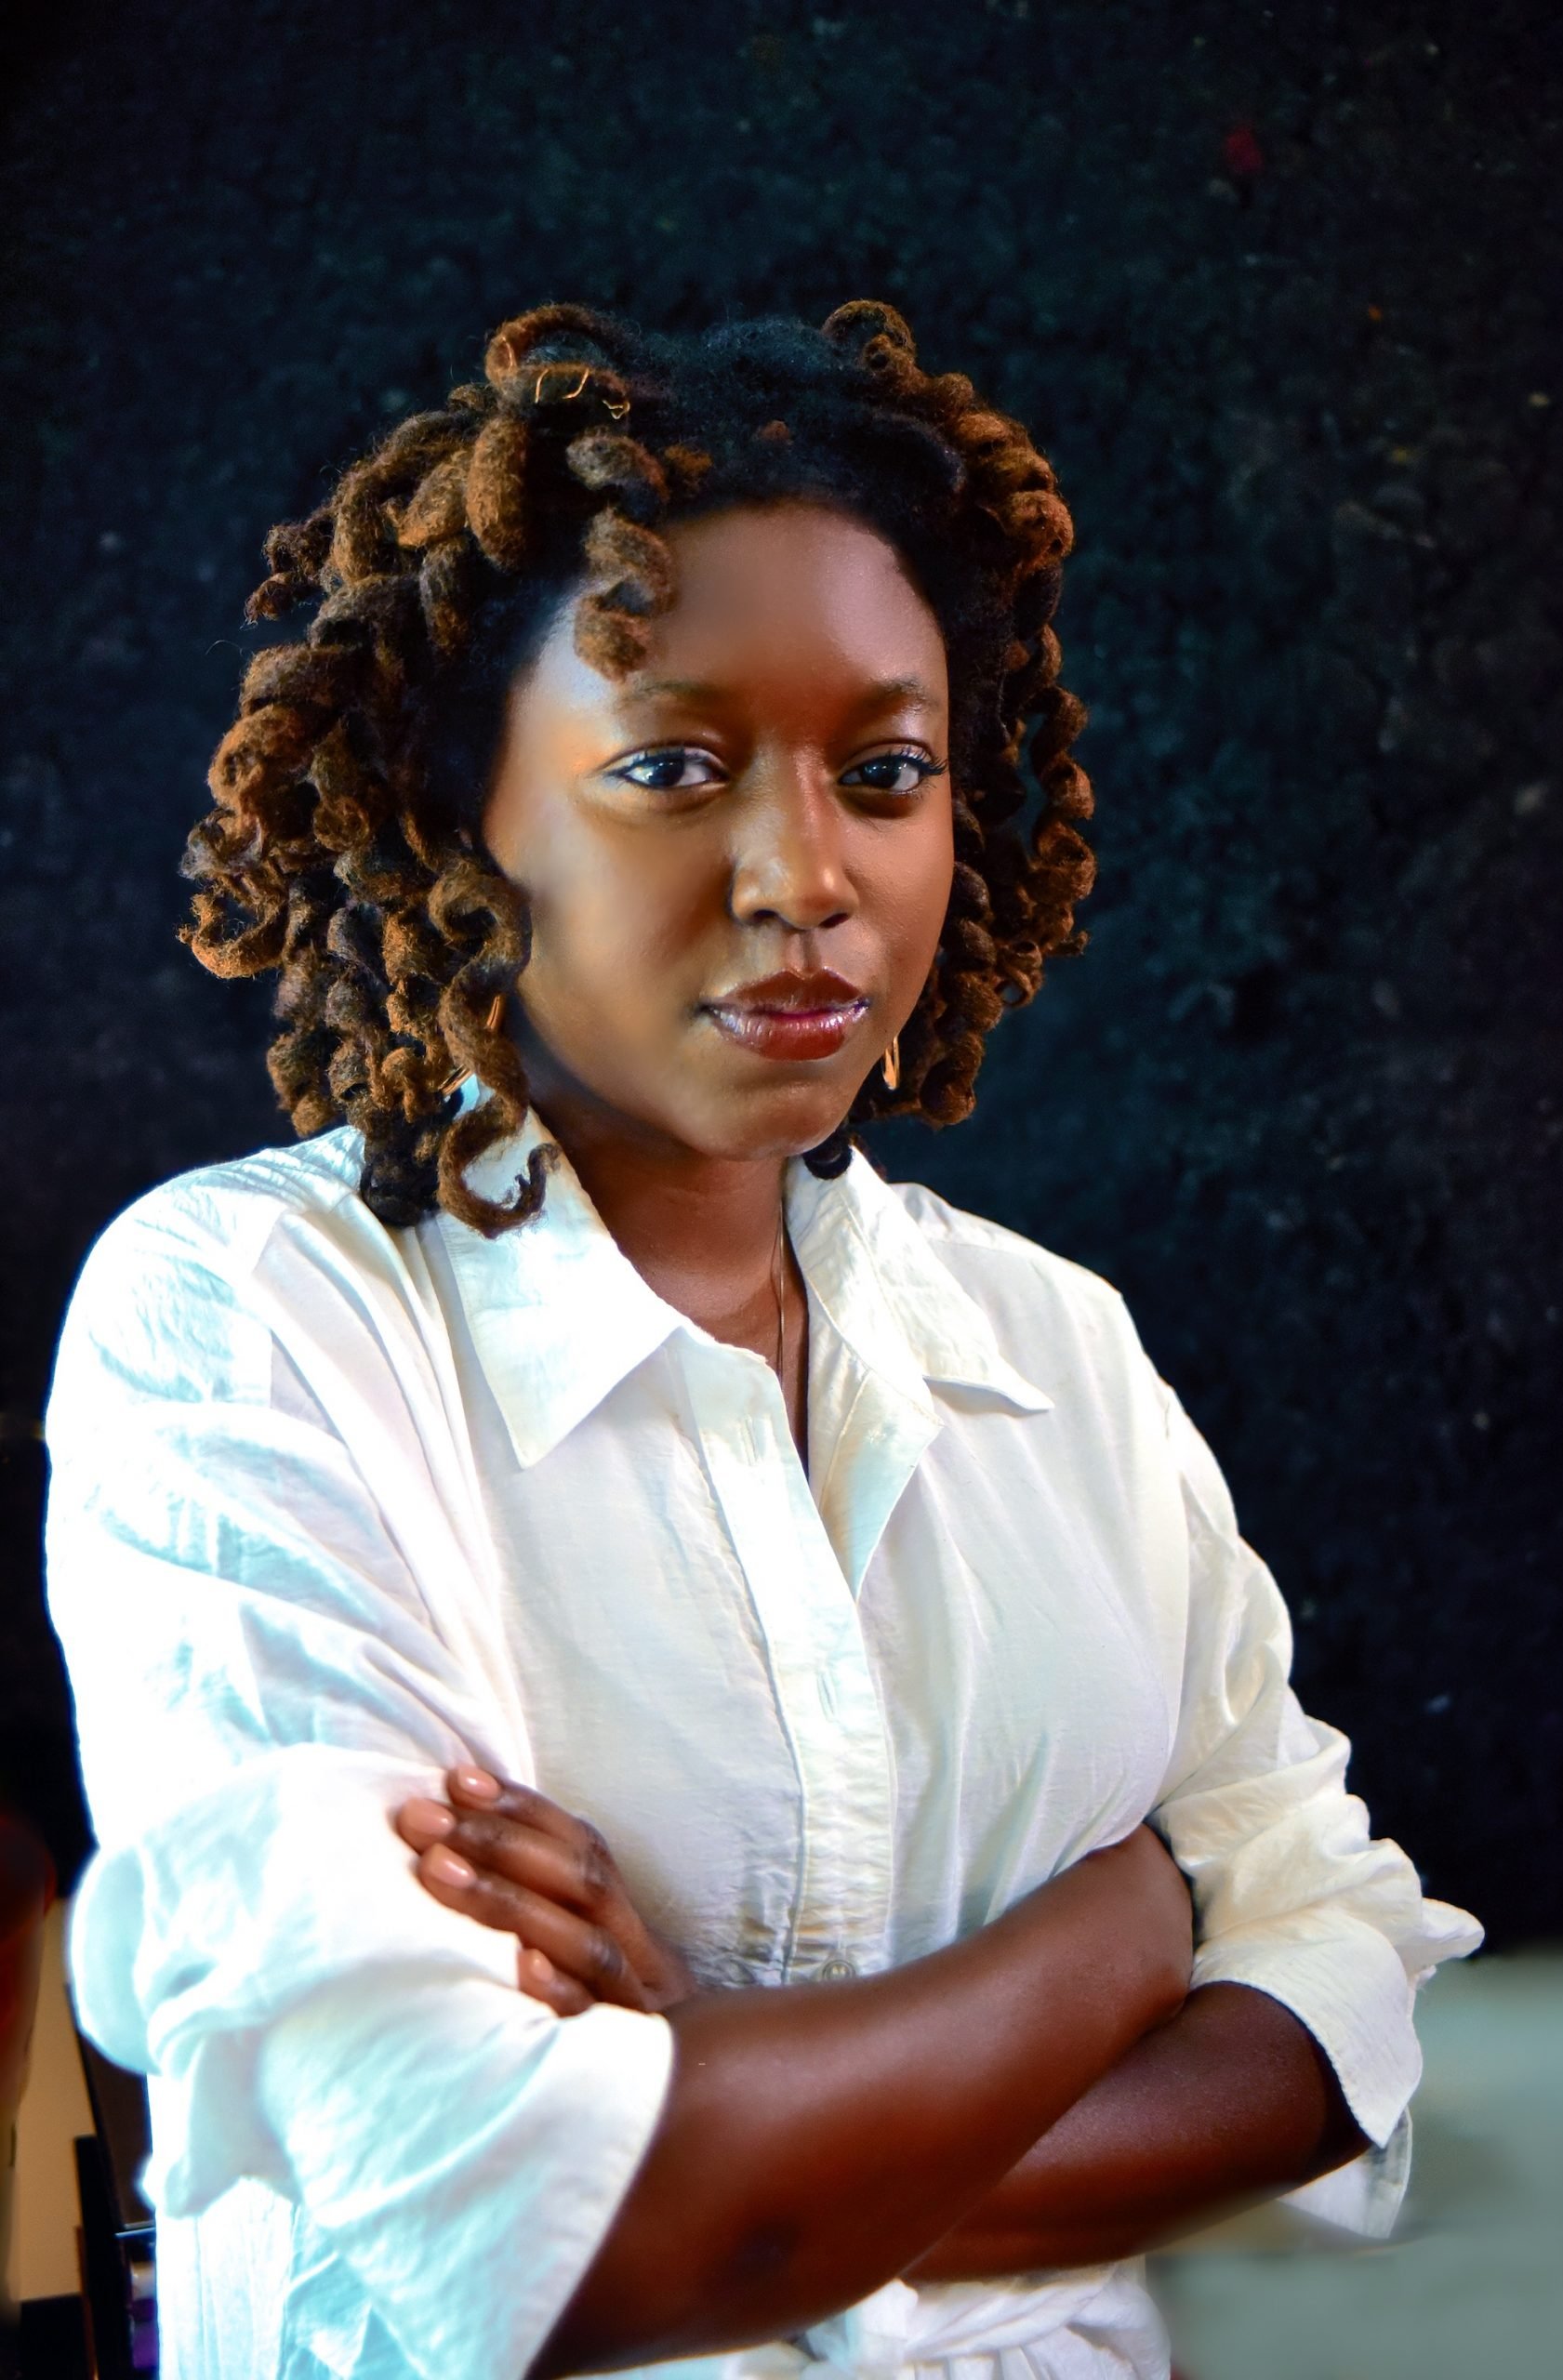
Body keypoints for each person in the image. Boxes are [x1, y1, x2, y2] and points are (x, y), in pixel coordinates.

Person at [45, 298, 1480, 2380]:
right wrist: (1135, 1920)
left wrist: (729, 2091)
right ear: (471, 814)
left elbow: (1348, 2019)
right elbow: (545, 2235)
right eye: (671, 766)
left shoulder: (1054, 1351)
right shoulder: (257, 1320)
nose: (806, 872)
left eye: (883, 770)